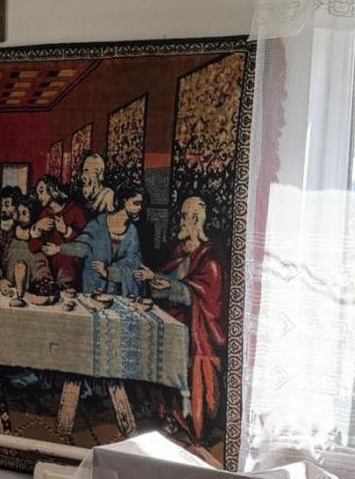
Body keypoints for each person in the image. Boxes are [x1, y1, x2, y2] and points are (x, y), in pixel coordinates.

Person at [138, 196, 226, 442]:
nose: (181, 222)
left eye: (185, 217)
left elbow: (202, 297)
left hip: (198, 330)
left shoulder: (211, 259)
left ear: (196, 219)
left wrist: (169, 285)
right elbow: (171, 281)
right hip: (175, 323)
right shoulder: (180, 250)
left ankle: (191, 424)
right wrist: (157, 281)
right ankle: (168, 414)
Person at [43, 181, 146, 295]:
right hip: (93, 286)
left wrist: (109, 272)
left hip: (117, 292)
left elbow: (134, 263)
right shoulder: (99, 222)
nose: (140, 208)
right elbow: (83, 246)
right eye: (136, 203)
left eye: (141, 204)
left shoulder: (132, 231)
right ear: (124, 201)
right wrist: (59, 249)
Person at [34, 175, 88, 289]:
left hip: (69, 267)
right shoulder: (44, 214)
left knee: (66, 259)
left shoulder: (75, 210)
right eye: (37, 193)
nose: (39, 197)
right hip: (48, 267)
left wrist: (66, 231)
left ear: (52, 190)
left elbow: (84, 246)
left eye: (41, 192)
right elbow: (33, 248)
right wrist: (37, 228)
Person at [0, 196, 54, 297]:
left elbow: (41, 268)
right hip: (10, 289)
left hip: (31, 291)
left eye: (24, 213)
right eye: (19, 213)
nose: (21, 218)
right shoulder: (12, 233)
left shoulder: (37, 239)